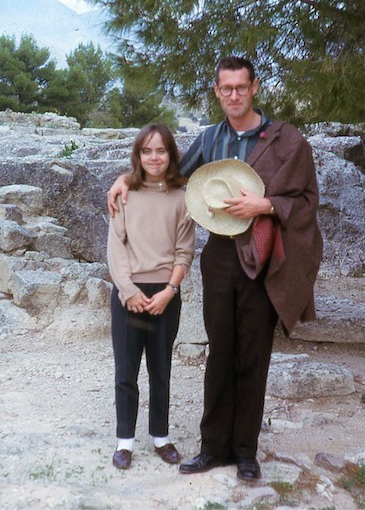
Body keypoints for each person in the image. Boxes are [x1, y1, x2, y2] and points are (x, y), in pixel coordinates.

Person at [107, 57, 323, 481]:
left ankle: (245, 451)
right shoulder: (210, 140)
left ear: (255, 87)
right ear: (217, 91)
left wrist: (267, 205)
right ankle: (212, 448)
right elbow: (167, 175)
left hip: (261, 255)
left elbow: (307, 200)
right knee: (220, 351)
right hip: (221, 256)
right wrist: (124, 178)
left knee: (253, 353)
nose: (234, 96)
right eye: (226, 89)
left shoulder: (286, 140)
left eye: (241, 87)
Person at [107, 124, 195, 470]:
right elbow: (116, 246)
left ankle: (161, 436)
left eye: (161, 150)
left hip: (165, 294)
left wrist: (169, 292)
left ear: (171, 155)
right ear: (138, 155)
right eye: (147, 151)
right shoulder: (124, 194)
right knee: (126, 371)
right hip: (128, 293)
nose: (154, 157)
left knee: (161, 370)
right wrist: (127, 291)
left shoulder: (183, 197)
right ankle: (124, 441)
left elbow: (184, 252)